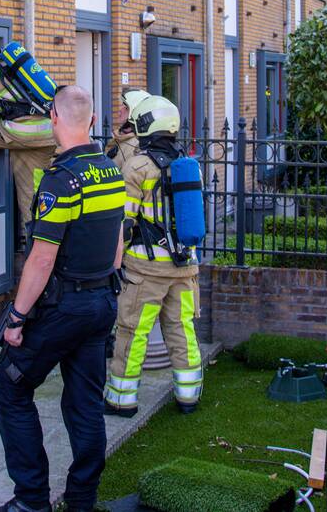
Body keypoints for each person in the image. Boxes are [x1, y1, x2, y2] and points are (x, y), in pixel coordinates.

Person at [0, 85, 124, 512]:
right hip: (102, 303)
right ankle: (82, 500)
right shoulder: (111, 170)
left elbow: (41, 260)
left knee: (10, 388)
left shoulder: (60, 180)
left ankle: (31, 501)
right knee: (85, 404)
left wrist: (16, 317)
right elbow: (118, 248)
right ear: (92, 120)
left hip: (63, 308)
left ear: (54, 119)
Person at [104, 95, 203, 418]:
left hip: (146, 271)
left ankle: (121, 398)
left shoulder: (138, 166)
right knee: (182, 329)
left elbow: (124, 223)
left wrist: (113, 264)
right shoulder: (189, 164)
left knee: (132, 332)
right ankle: (189, 396)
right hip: (185, 266)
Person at [0, 55, 56, 231]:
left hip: (22, 132)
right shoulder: (11, 66)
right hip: (48, 132)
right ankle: (42, 236)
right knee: (34, 191)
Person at [105, 89, 150, 166]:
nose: (120, 110)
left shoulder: (137, 145)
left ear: (136, 112)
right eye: (122, 105)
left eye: (126, 108)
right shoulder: (121, 137)